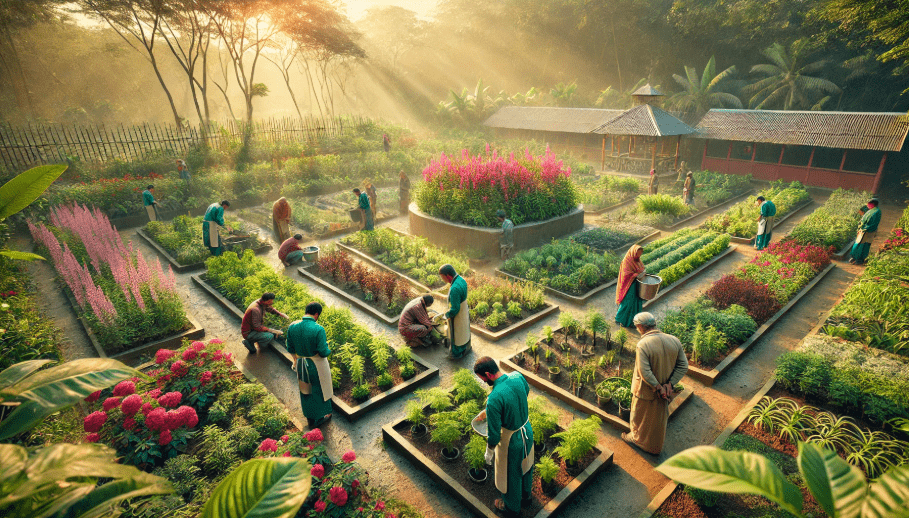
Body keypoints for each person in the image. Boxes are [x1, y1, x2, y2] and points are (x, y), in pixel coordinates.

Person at [474, 356, 534, 518]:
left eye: (483, 379)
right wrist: (491, 411)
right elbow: (524, 393)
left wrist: (489, 452)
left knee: (510, 475)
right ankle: (526, 496)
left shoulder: (493, 398)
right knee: (527, 464)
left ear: (488, 374)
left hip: (511, 442)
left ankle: (512, 508)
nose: (484, 382)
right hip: (527, 430)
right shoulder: (517, 376)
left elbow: (493, 434)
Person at [621, 312, 688, 455]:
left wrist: (658, 387)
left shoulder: (643, 344)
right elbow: (683, 366)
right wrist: (669, 385)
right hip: (665, 391)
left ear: (640, 327)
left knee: (640, 417)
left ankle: (637, 440)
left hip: (646, 391)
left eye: (637, 327)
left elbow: (644, 372)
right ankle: (654, 447)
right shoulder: (674, 340)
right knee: (657, 420)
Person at [288, 302, 333, 428]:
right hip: (316, 364)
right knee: (320, 389)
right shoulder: (318, 329)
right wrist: (329, 349)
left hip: (301, 362)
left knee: (305, 390)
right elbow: (323, 352)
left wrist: (296, 359)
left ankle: (309, 416)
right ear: (317, 314)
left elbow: (290, 347)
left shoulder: (293, 326)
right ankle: (323, 415)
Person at [439, 264, 471, 359]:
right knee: (464, 332)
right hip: (464, 309)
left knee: (457, 335)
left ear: (448, 276)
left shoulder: (454, 289)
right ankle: (465, 347)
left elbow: (455, 309)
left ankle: (457, 354)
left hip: (458, 315)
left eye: (442, 277)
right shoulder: (461, 280)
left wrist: (446, 315)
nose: (442, 279)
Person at [615, 245, 646, 327]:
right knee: (627, 303)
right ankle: (620, 319)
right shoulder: (627, 260)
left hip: (636, 284)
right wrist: (637, 275)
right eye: (637, 254)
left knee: (636, 303)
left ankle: (633, 322)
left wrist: (643, 271)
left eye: (640, 254)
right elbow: (626, 274)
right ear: (633, 252)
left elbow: (642, 267)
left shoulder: (637, 260)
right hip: (628, 286)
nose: (639, 256)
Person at [849, 198, 882, 265]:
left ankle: (859, 259)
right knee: (858, 244)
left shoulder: (876, 212)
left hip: (868, 232)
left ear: (873, 204)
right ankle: (855, 257)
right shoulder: (871, 210)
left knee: (863, 245)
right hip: (863, 230)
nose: (867, 205)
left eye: (869, 204)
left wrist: (864, 229)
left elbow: (873, 224)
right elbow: (861, 212)